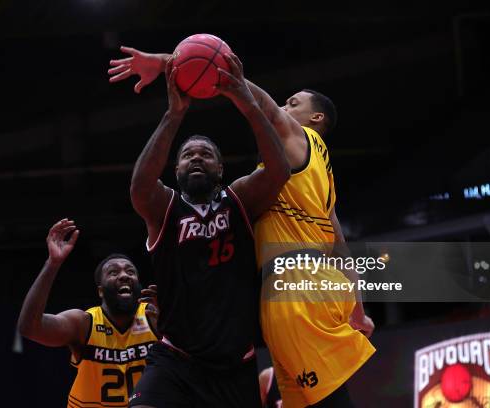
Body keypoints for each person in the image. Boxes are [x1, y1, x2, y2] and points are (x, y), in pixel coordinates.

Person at [109, 46, 376, 407]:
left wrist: (211, 75)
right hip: (317, 286)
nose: (283, 108)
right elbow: (340, 246)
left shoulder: (300, 142)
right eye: (284, 103)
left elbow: (264, 109)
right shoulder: (320, 180)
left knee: (325, 402)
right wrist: (357, 309)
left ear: (315, 120)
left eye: (292, 103)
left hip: (293, 288)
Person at [126, 55, 289, 408]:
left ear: (220, 169)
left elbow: (279, 170)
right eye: (187, 155)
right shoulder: (164, 207)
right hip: (175, 359)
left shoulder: (239, 199)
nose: (196, 158)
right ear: (177, 168)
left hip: (235, 365)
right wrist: (173, 115)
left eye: (205, 154)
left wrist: (248, 104)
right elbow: (139, 186)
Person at [18, 219, 159, 408]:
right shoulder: (84, 323)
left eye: (130, 271)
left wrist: (172, 318)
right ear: (100, 291)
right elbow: (30, 328)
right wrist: (53, 263)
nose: (124, 275)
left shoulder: (153, 315)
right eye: (113, 272)